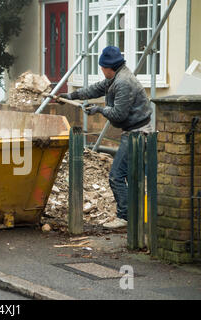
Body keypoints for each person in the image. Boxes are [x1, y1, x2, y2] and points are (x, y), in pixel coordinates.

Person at [57, 46, 153, 229]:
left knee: (116, 176)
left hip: (138, 133)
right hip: (134, 131)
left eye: (102, 68)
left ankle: (125, 217)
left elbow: (118, 114)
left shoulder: (124, 82)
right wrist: (71, 95)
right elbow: (96, 89)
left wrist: (99, 109)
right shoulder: (115, 77)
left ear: (110, 67)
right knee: (131, 176)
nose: (101, 70)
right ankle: (135, 217)